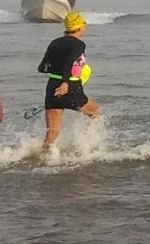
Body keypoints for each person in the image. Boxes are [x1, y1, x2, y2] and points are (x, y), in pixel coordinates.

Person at [37, 12, 102, 150]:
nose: (86, 28)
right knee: (95, 111)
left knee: (52, 133)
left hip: (52, 87)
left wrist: (58, 74)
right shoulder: (78, 44)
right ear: (79, 27)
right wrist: (66, 82)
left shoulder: (55, 42)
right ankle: (89, 147)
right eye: (84, 25)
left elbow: (42, 68)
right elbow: (69, 63)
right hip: (70, 87)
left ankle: (44, 159)